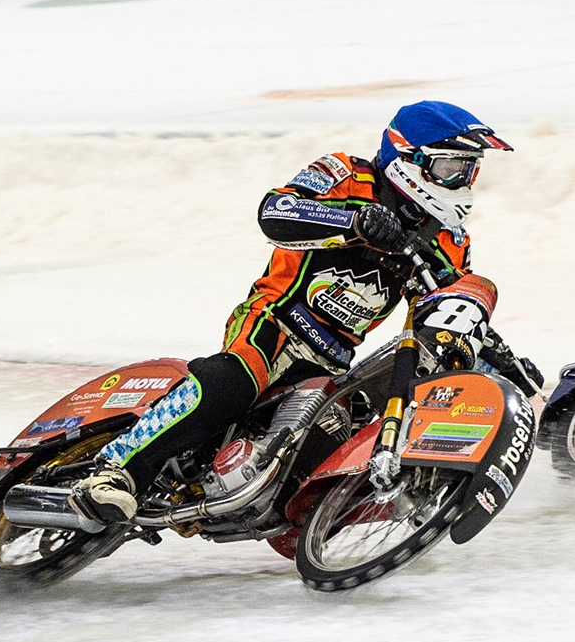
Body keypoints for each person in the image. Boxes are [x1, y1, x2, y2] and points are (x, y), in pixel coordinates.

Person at [71, 100, 521, 524]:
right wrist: (355, 222)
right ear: (409, 158)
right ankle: (114, 470)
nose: (462, 181)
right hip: (275, 320)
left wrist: (496, 354)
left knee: (335, 441)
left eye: (469, 170)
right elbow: (275, 211)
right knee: (232, 379)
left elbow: (444, 308)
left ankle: (308, 522)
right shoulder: (346, 173)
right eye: (450, 167)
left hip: (332, 363)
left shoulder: (447, 240)